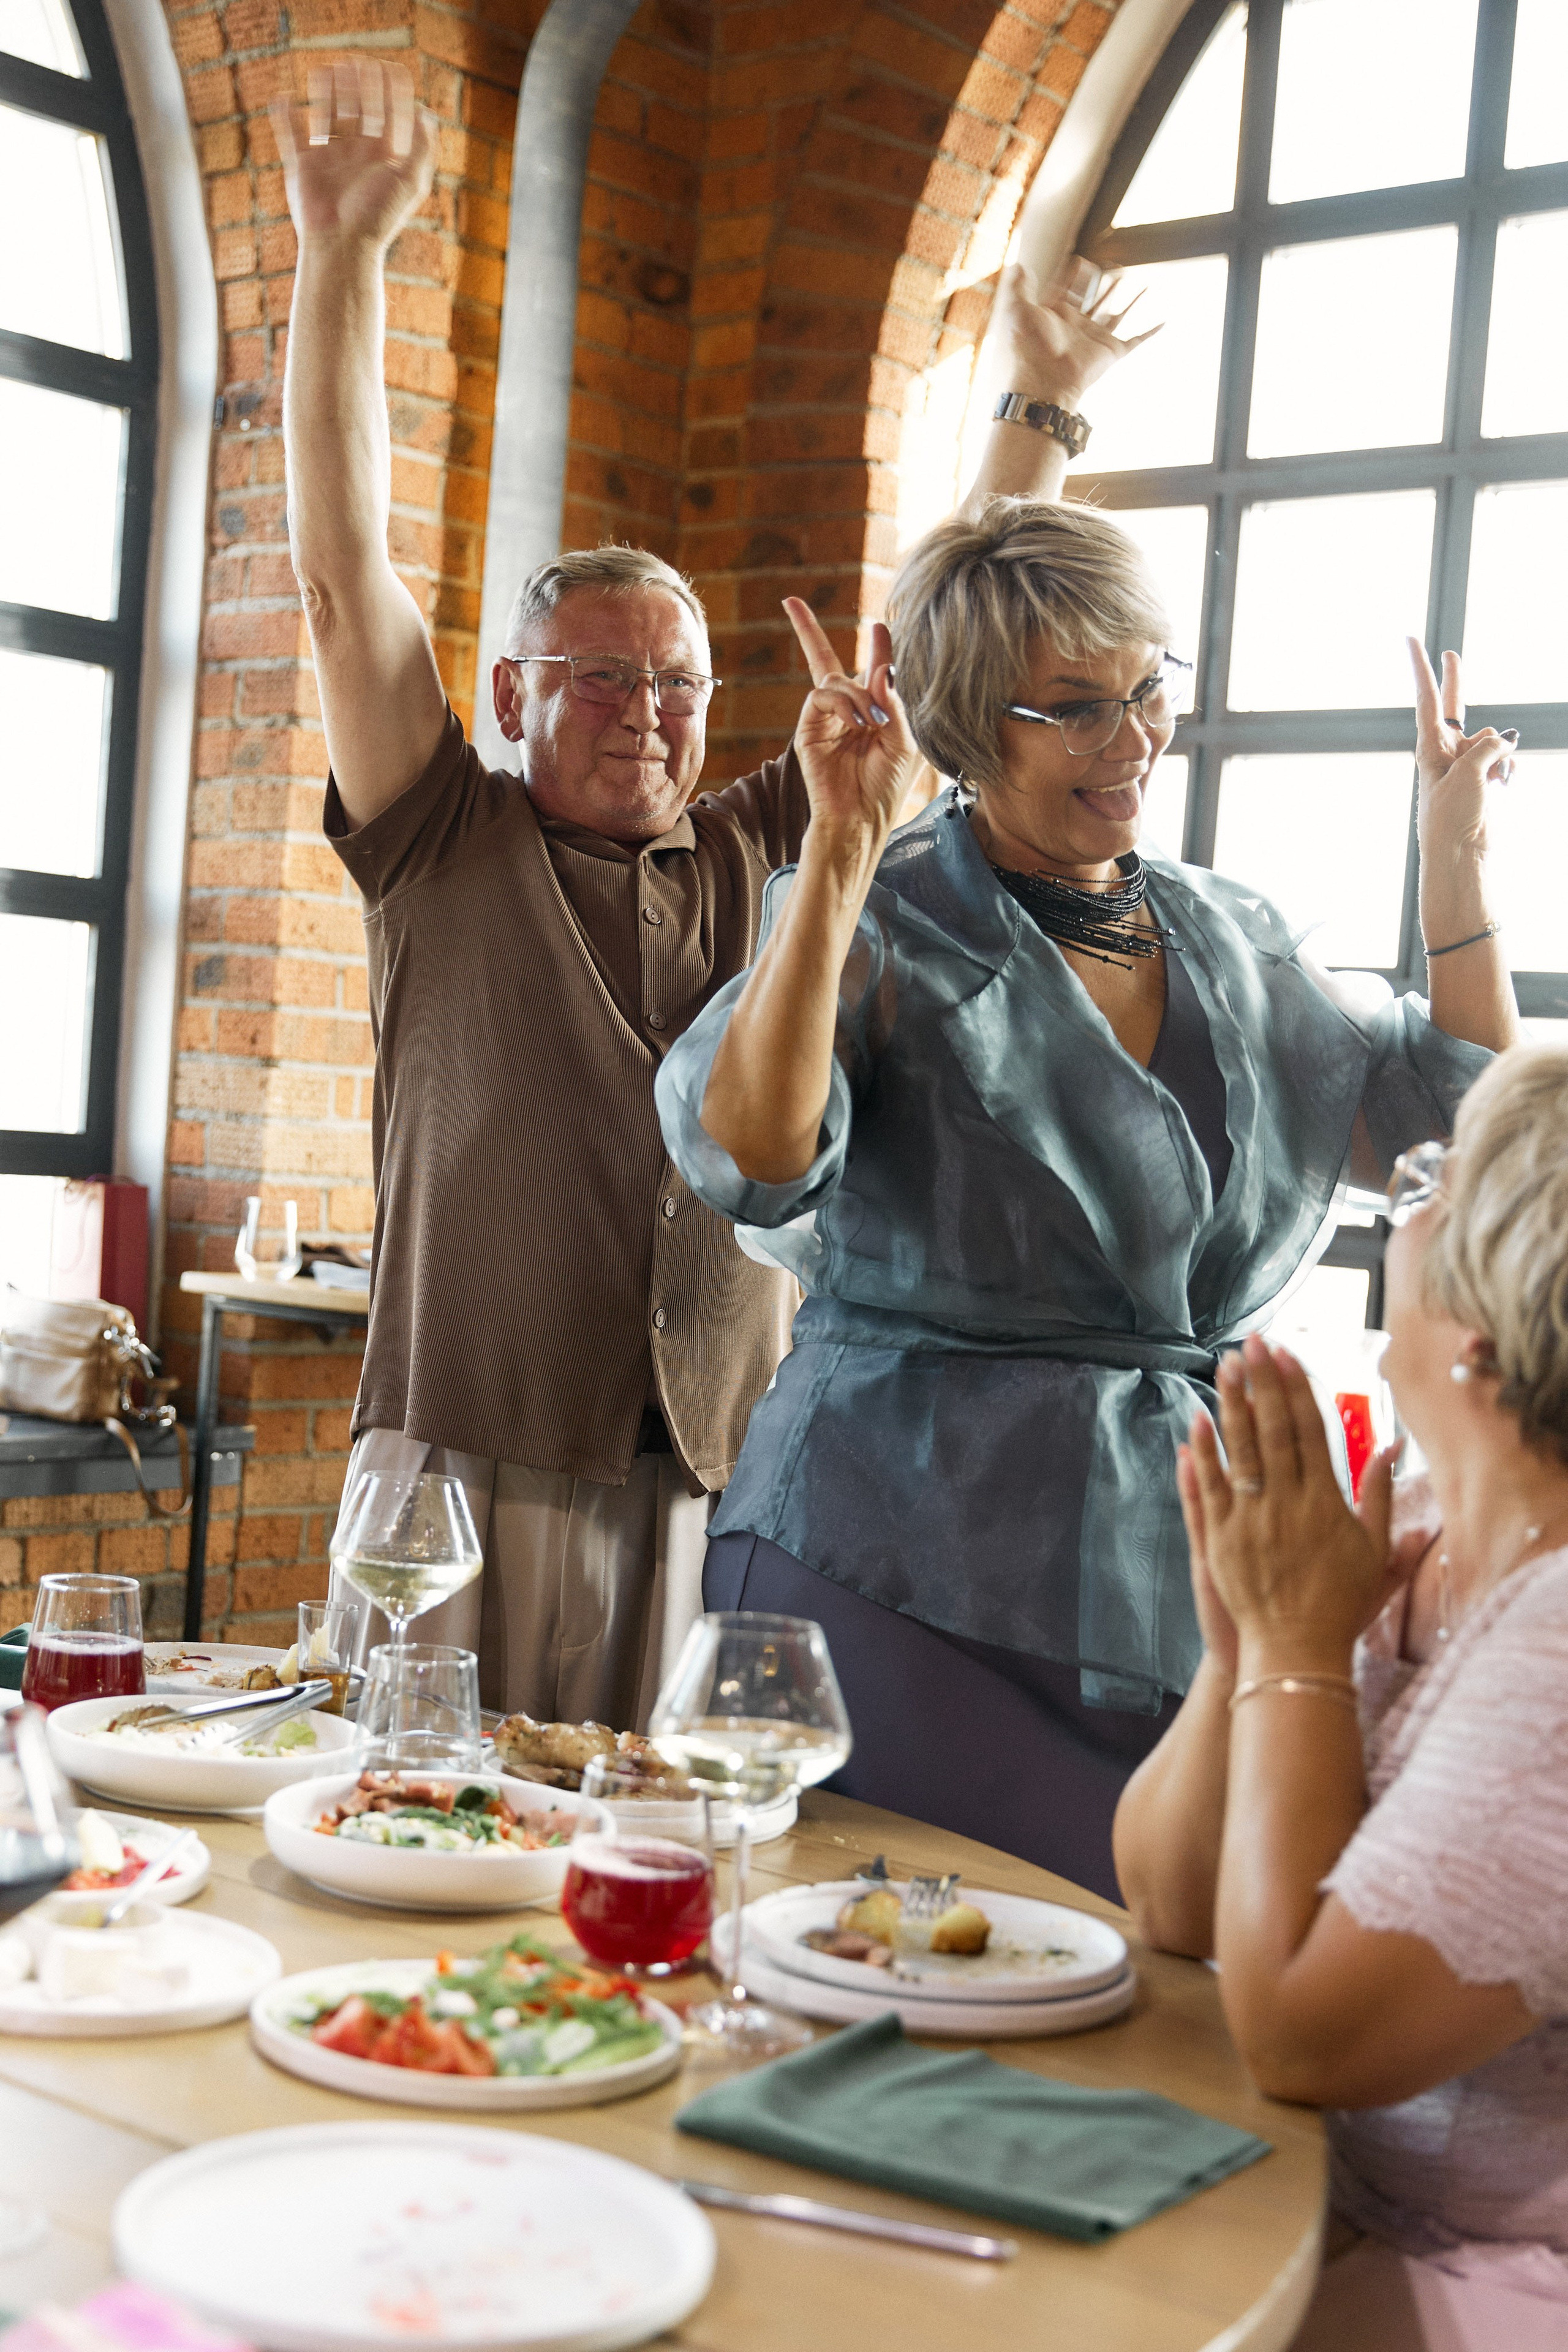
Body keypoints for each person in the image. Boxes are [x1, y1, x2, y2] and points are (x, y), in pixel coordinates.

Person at [266, 57, 1147, 1722]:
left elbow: (924, 643)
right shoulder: (440, 834)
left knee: (662, 1882)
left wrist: (1038, 408)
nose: (650, 711)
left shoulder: (764, 845)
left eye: (676, 683)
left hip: (712, 1477)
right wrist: (341, 255)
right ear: (515, 696)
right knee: (410, 1854)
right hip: (457, 1466)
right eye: (600, 677)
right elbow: (335, 574)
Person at [655, 492, 1520, 1896]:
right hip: (880, 1553)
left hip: (1157, 1571)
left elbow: (1453, 1133)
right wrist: (834, 850)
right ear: (965, 721)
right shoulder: (881, 911)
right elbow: (752, 1150)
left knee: (1147, 1984)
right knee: (896, 1975)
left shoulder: (1229, 935)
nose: (1131, 742)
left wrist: (1454, 872)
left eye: (1146, 689)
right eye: (1074, 709)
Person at [1114, 1041, 1568, 2351]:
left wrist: (1300, 1649)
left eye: (1430, 1174)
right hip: (1312, 2208)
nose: (1397, 1201)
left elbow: (1304, 2041)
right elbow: (1171, 1899)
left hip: (1484, 2285)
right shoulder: (1412, 1527)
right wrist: (1247, 1652)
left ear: (1484, 1326)